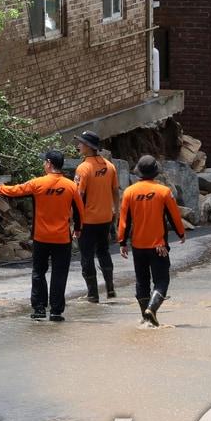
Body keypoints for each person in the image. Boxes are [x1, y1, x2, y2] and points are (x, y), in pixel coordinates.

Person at [0, 150, 83, 322]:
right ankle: (56, 312)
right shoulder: (71, 186)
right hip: (62, 239)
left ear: (48, 163)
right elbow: (79, 210)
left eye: (44, 163)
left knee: (39, 272)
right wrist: (78, 228)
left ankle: (39, 309)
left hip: (41, 237)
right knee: (59, 274)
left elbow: (15, 190)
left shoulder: (38, 183)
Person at [117, 155, 185, 326]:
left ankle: (145, 318)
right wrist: (181, 233)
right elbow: (174, 216)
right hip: (158, 246)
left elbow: (124, 220)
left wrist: (122, 242)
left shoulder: (129, 192)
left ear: (139, 172)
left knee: (142, 281)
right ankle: (152, 310)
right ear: (156, 172)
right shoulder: (163, 191)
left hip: (138, 246)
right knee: (162, 280)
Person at [73, 130, 120, 303]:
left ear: (88, 147)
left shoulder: (83, 168)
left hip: (88, 220)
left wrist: (73, 221)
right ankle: (110, 289)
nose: (78, 145)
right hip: (106, 218)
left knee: (86, 256)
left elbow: (78, 196)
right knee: (103, 252)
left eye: (81, 143)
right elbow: (116, 191)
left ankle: (93, 294)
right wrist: (116, 210)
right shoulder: (109, 166)